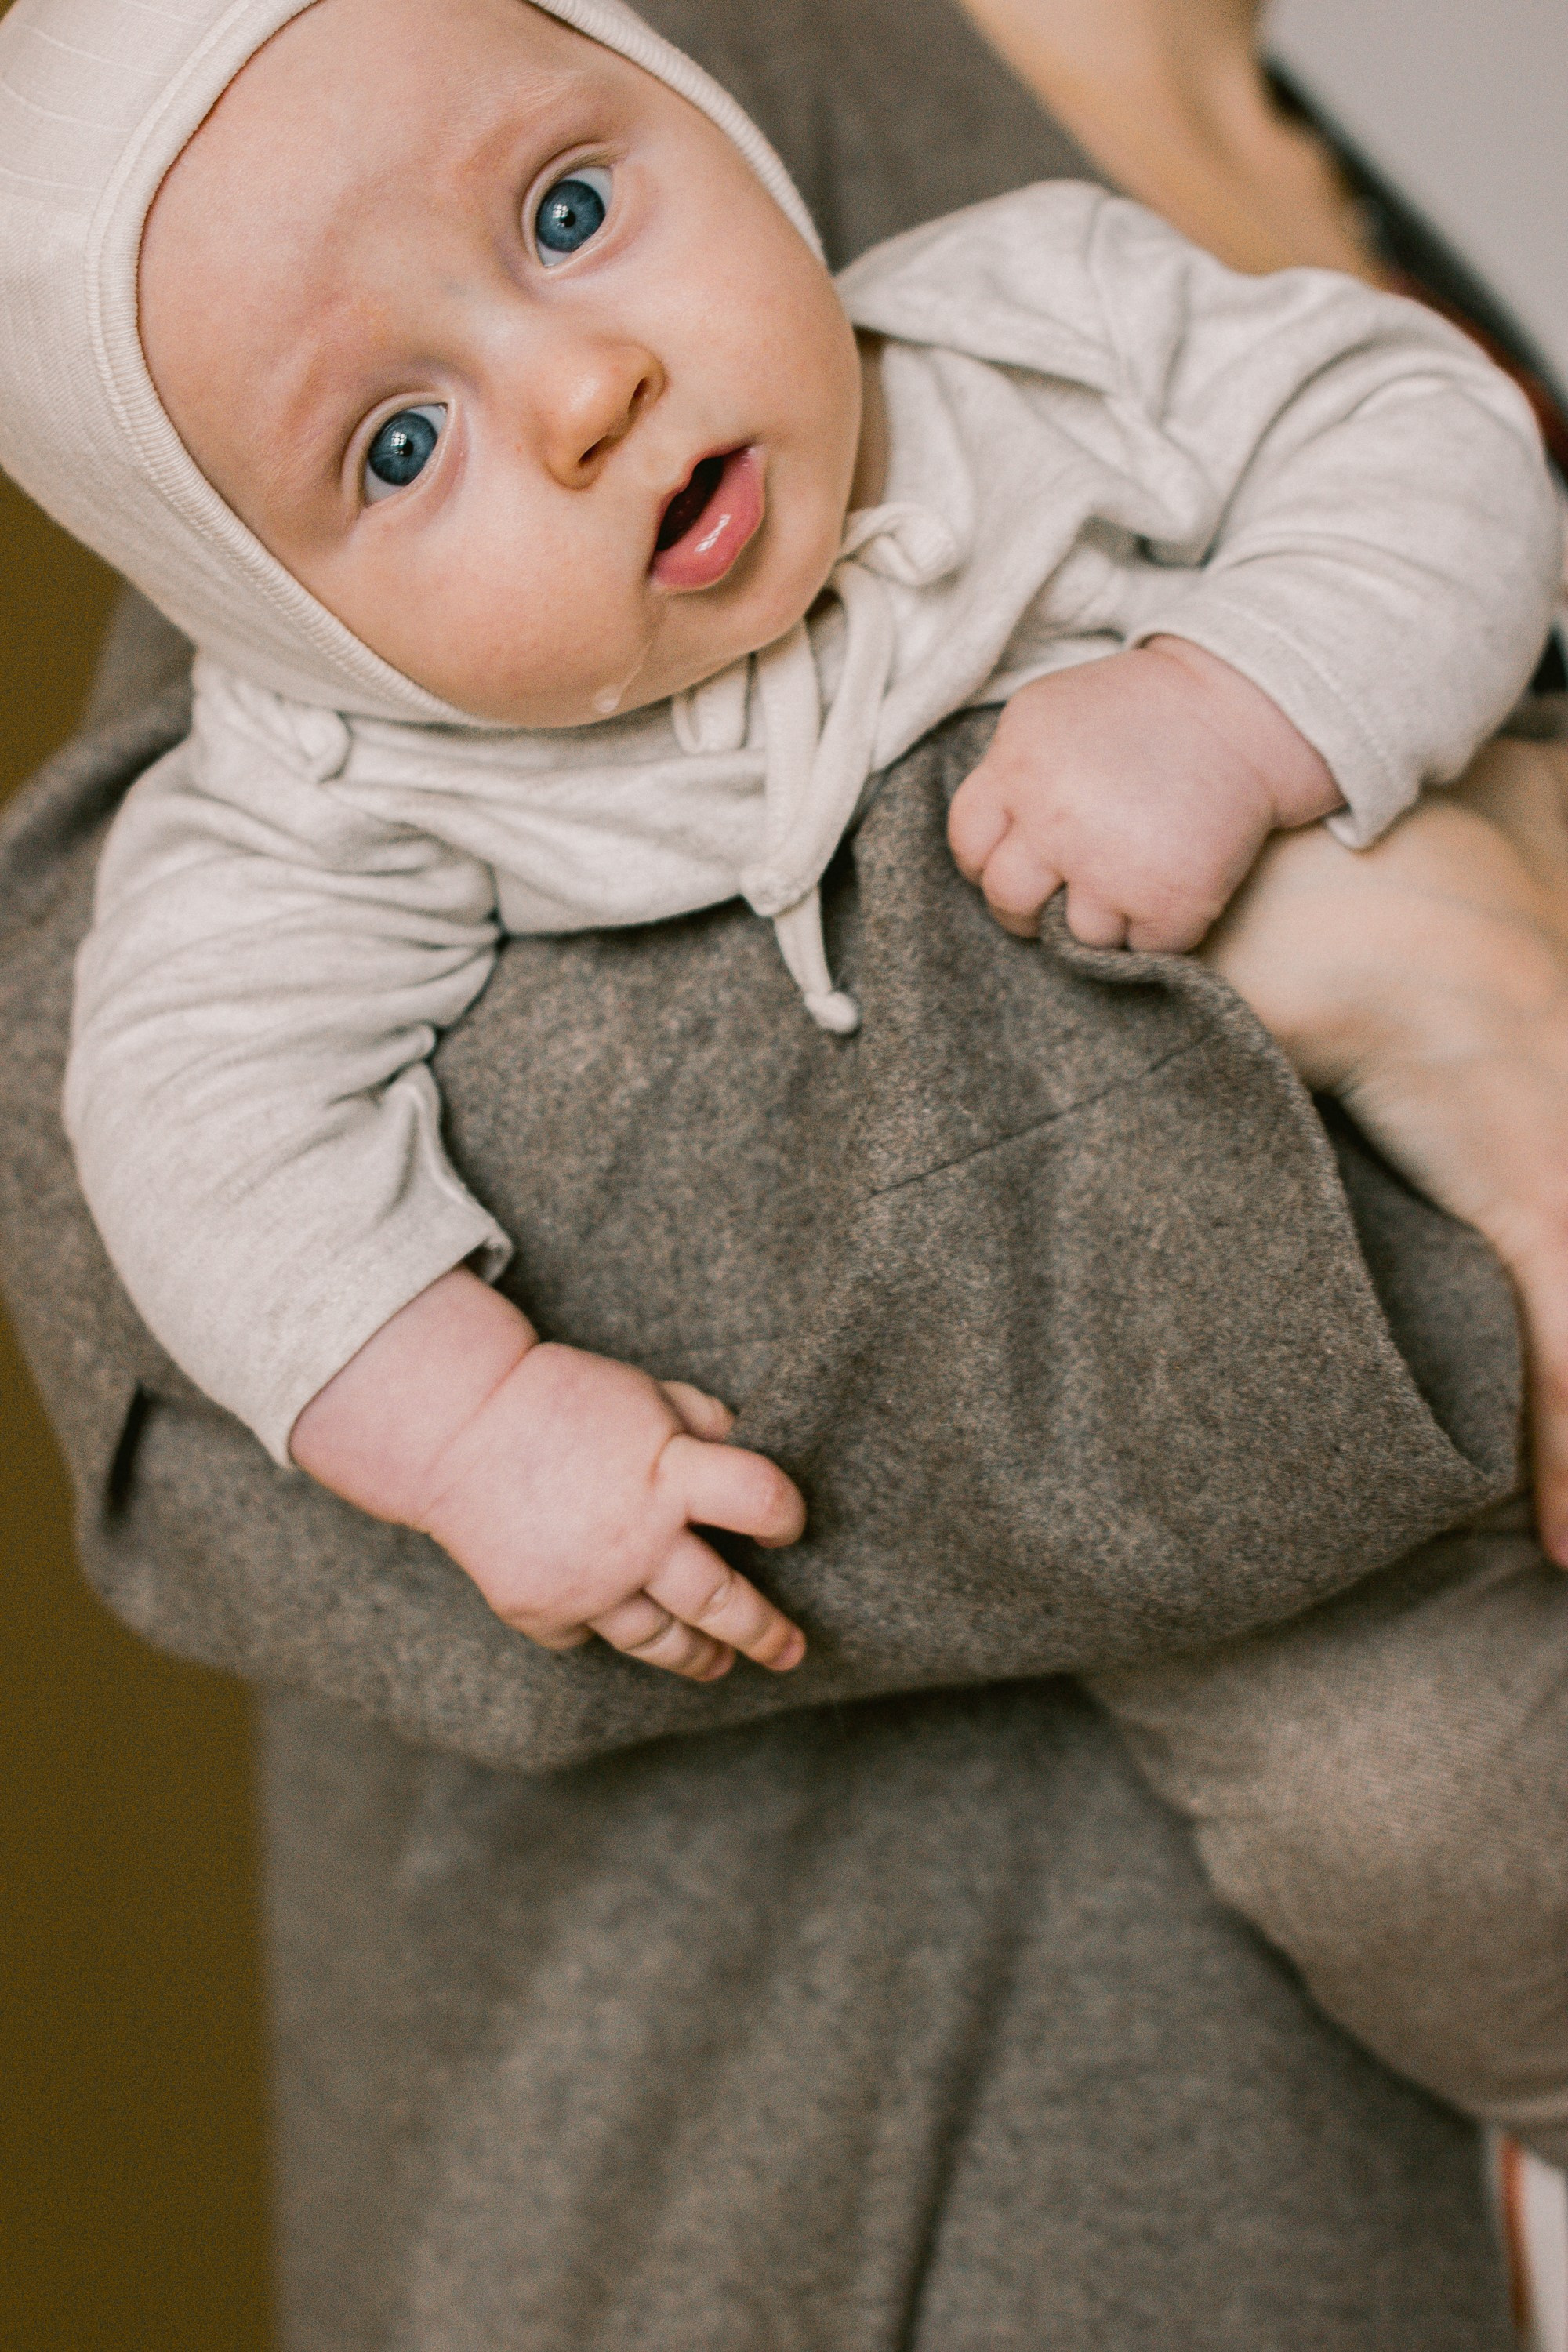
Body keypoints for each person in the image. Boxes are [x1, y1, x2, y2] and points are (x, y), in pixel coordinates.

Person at [0, 0, 1563, 2343]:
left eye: (573, 216)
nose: (582, 386)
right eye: (408, 439)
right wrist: (471, 1415)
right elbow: (140, 1129)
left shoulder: (1014, 309)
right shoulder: (352, 723)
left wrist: (1255, 705)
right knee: (1413, 1804)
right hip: (929, 2142)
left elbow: (1406, 428)